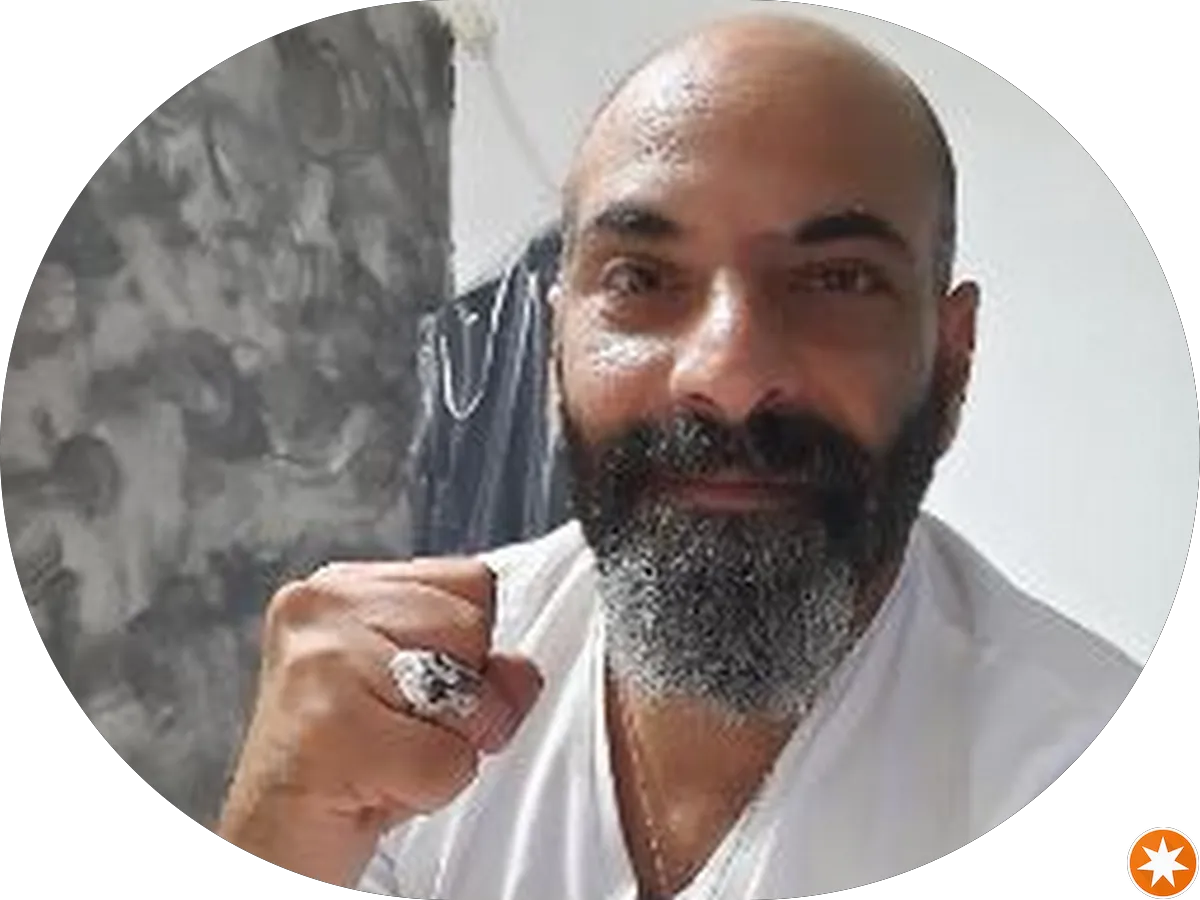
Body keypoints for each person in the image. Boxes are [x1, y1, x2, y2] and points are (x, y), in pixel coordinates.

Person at [216, 13, 1142, 899]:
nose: (728, 376)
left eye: (838, 279)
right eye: (642, 278)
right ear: (557, 349)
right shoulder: (409, 702)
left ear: (951, 358)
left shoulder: (1064, 747)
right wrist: (279, 825)